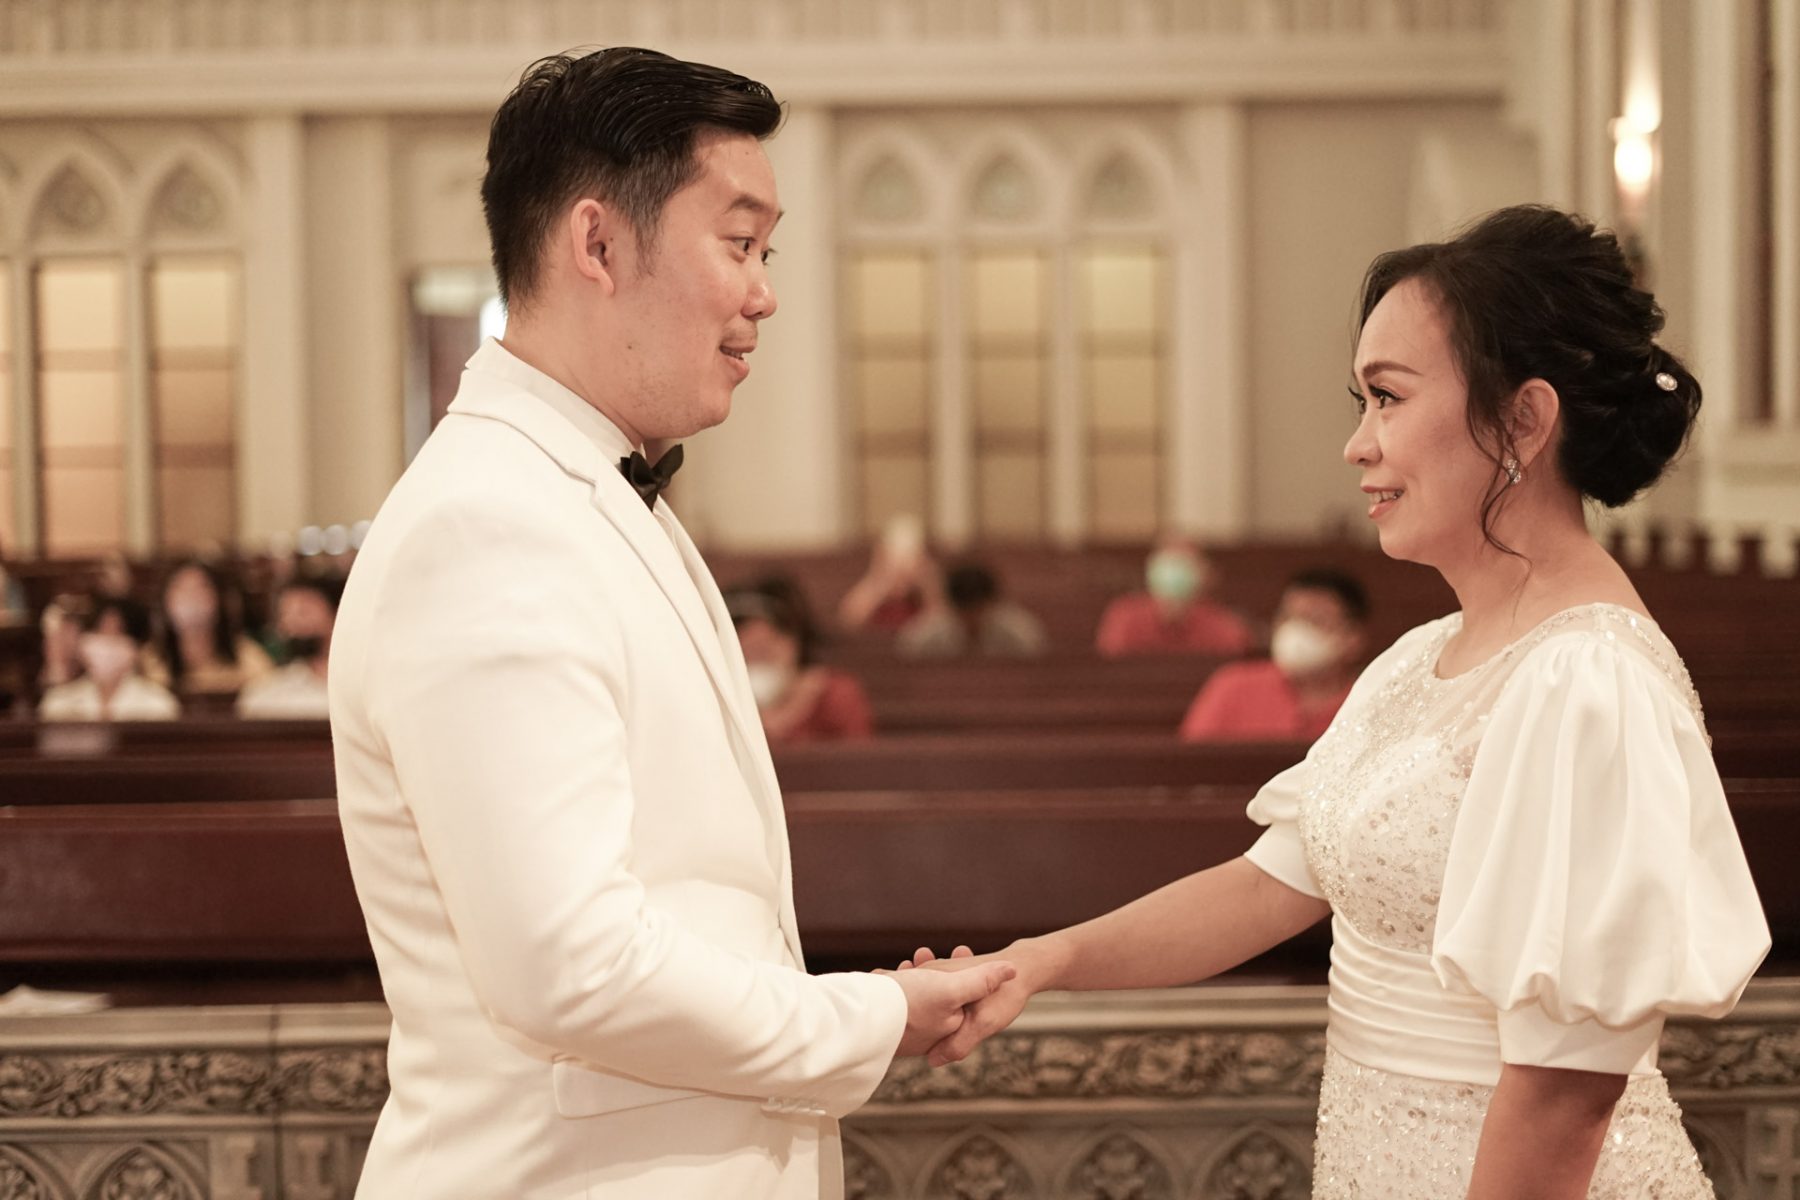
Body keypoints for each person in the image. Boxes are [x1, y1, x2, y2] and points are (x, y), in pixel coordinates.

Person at [902, 206, 1768, 1199]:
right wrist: (1036, 963)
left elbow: (1564, 1096)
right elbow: (1268, 885)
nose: (1357, 445)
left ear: (1524, 421)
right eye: (1361, 402)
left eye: (1388, 398)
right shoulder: (1415, 660)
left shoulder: (1588, 684)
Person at [327, 48, 1012, 1200]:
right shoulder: (489, 524)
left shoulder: (582, 489)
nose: (763, 294)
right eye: (738, 243)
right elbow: (568, 966)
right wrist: (869, 1015)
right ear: (598, 245)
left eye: (766, 253)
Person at [1178, 567, 1368, 742]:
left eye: (1316, 619)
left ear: (1353, 638)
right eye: (1288, 617)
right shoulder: (1232, 687)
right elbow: (1192, 760)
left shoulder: (1368, 700)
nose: (1297, 631)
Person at [726, 583, 873, 742]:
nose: (758, 659)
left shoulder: (836, 694)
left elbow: (859, 752)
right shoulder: (719, 699)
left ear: (795, 645)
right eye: (749, 650)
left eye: (766, 649)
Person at [1094, 536, 1252, 657]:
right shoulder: (1125, 619)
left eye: (1185, 564)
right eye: (1169, 563)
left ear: (1205, 575)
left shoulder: (1224, 626)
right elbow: (1110, 665)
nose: (1175, 572)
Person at [39, 597, 180, 721]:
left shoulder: (159, 704)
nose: (107, 642)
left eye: (116, 633)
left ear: (136, 647)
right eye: (100, 631)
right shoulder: (58, 703)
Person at [147, 560, 273, 697]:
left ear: (218, 600)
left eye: (201, 589)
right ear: (165, 602)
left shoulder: (247, 657)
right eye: (181, 589)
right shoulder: (149, 661)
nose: (191, 598)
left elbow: (269, 693)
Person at [896, 560, 1048, 659]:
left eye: (979, 610)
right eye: (965, 612)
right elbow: (908, 655)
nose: (973, 619)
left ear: (993, 604)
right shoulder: (927, 635)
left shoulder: (1019, 633)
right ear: (953, 606)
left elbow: (1036, 659)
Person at [237, 576, 340, 719]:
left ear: (336, 615)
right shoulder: (269, 694)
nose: (293, 621)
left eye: (304, 611)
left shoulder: (358, 685)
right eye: (285, 614)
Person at [837, 513, 938, 633]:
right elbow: (849, 620)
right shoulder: (874, 586)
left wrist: (927, 584)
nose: (902, 566)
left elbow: (941, 623)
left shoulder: (922, 592)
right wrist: (882, 582)